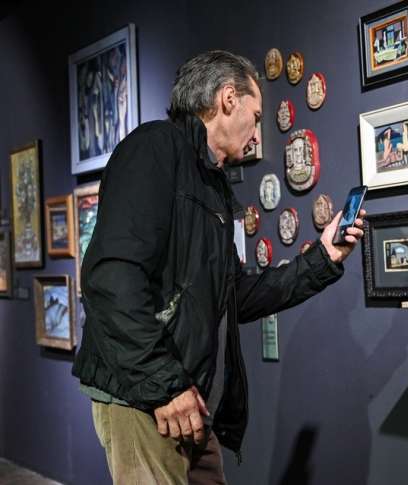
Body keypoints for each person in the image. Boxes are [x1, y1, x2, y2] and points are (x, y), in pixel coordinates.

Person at [71, 50, 365, 484]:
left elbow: (234, 295)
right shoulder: (155, 147)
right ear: (228, 98)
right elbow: (111, 279)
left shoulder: (211, 182)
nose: (256, 133)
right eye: (256, 115)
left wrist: (322, 258)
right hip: (144, 397)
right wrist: (165, 385)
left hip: (186, 396)